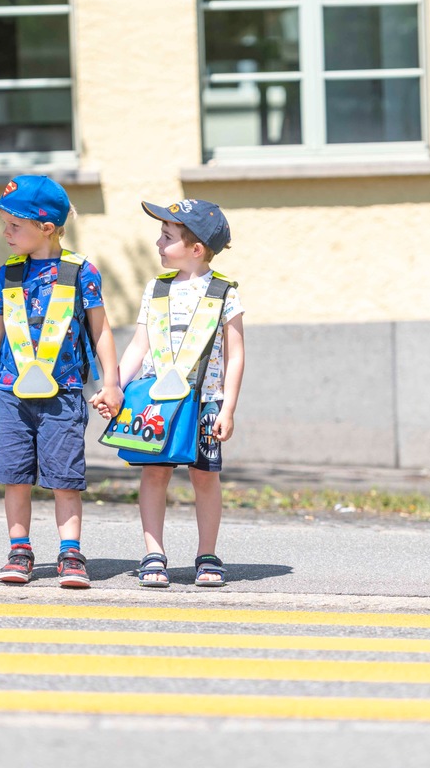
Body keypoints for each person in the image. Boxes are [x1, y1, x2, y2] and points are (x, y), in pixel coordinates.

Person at [0, 175, 122, 588]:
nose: (5, 232)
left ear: (47, 228)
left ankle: (70, 554)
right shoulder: (8, 272)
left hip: (64, 393)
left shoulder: (80, 272)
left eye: (14, 225)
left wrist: (112, 382)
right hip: (11, 392)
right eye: (4, 223)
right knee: (13, 474)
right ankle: (19, 550)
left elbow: (101, 330)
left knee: (64, 477)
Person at [103, 199, 246, 588]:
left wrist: (227, 408)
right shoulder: (157, 289)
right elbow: (138, 346)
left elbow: (236, 355)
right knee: (153, 473)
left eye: (166, 237)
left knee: (205, 478)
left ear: (195, 248)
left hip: (205, 401)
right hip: (157, 402)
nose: (158, 242)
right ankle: (154, 553)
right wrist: (113, 385)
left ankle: (208, 555)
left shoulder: (224, 292)